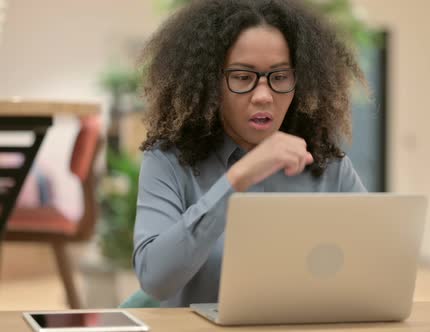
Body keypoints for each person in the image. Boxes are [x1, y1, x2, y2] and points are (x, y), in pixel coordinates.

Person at [133, 0, 367, 307]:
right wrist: (237, 179)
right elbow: (155, 278)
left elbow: (374, 265)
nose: (263, 96)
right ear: (210, 83)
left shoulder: (328, 167)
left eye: (280, 77)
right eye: (243, 77)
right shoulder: (168, 162)